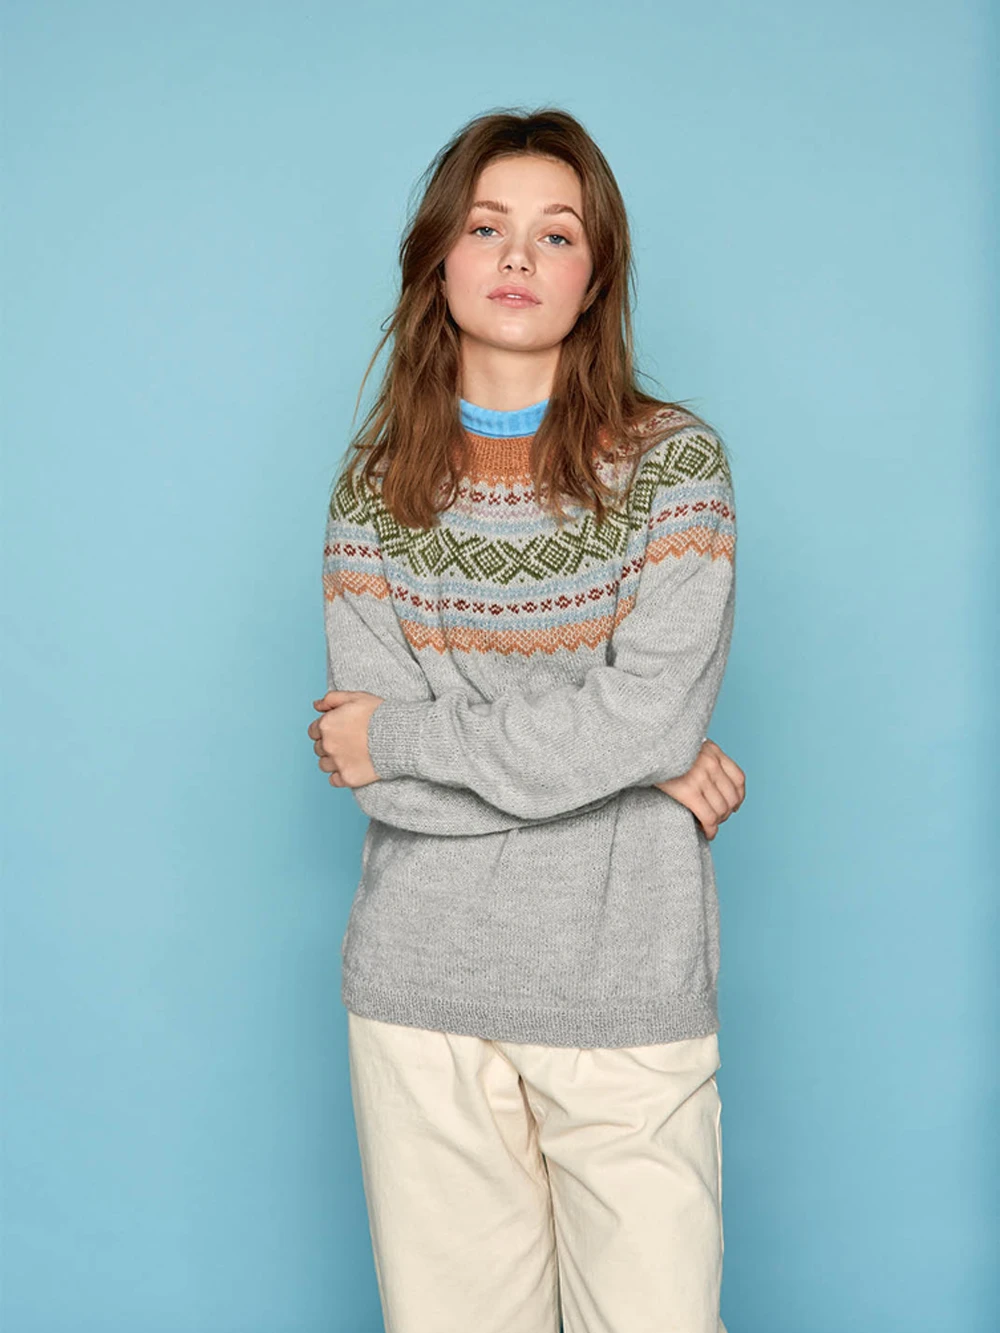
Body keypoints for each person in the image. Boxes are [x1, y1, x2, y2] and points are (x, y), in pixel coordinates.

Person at [307, 106, 745, 1333]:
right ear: (438, 259)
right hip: (419, 992)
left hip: (626, 986)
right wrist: (629, 763)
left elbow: (386, 745)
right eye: (485, 227)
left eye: (555, 234)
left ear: (594, 275)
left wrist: (410, 732)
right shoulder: (373, 489)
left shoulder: (673, 468)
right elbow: (374, 777)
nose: (516, 256)